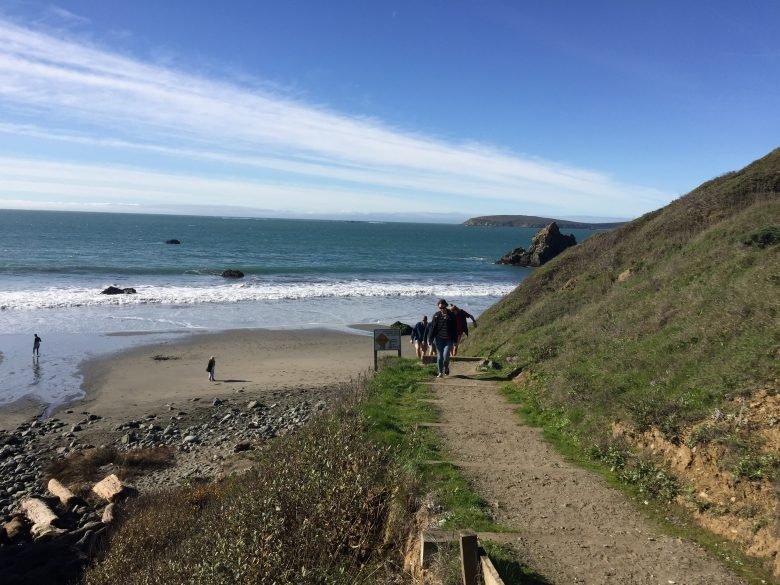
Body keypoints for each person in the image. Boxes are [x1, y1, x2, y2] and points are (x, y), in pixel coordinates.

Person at [427, 299, 457, 377]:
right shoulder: (436, 315)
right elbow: (433, 328)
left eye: (443, 308)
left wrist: (449, 319)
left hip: (448, 339)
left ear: (446, 306)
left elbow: (454, 328)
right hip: (438, 339)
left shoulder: (451, 315)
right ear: (438, 307)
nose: (442, 309)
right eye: (440, 308)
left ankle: (446, 367)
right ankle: (440, 372)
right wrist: (430, 339)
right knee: (440, 356)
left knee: (446, 356)